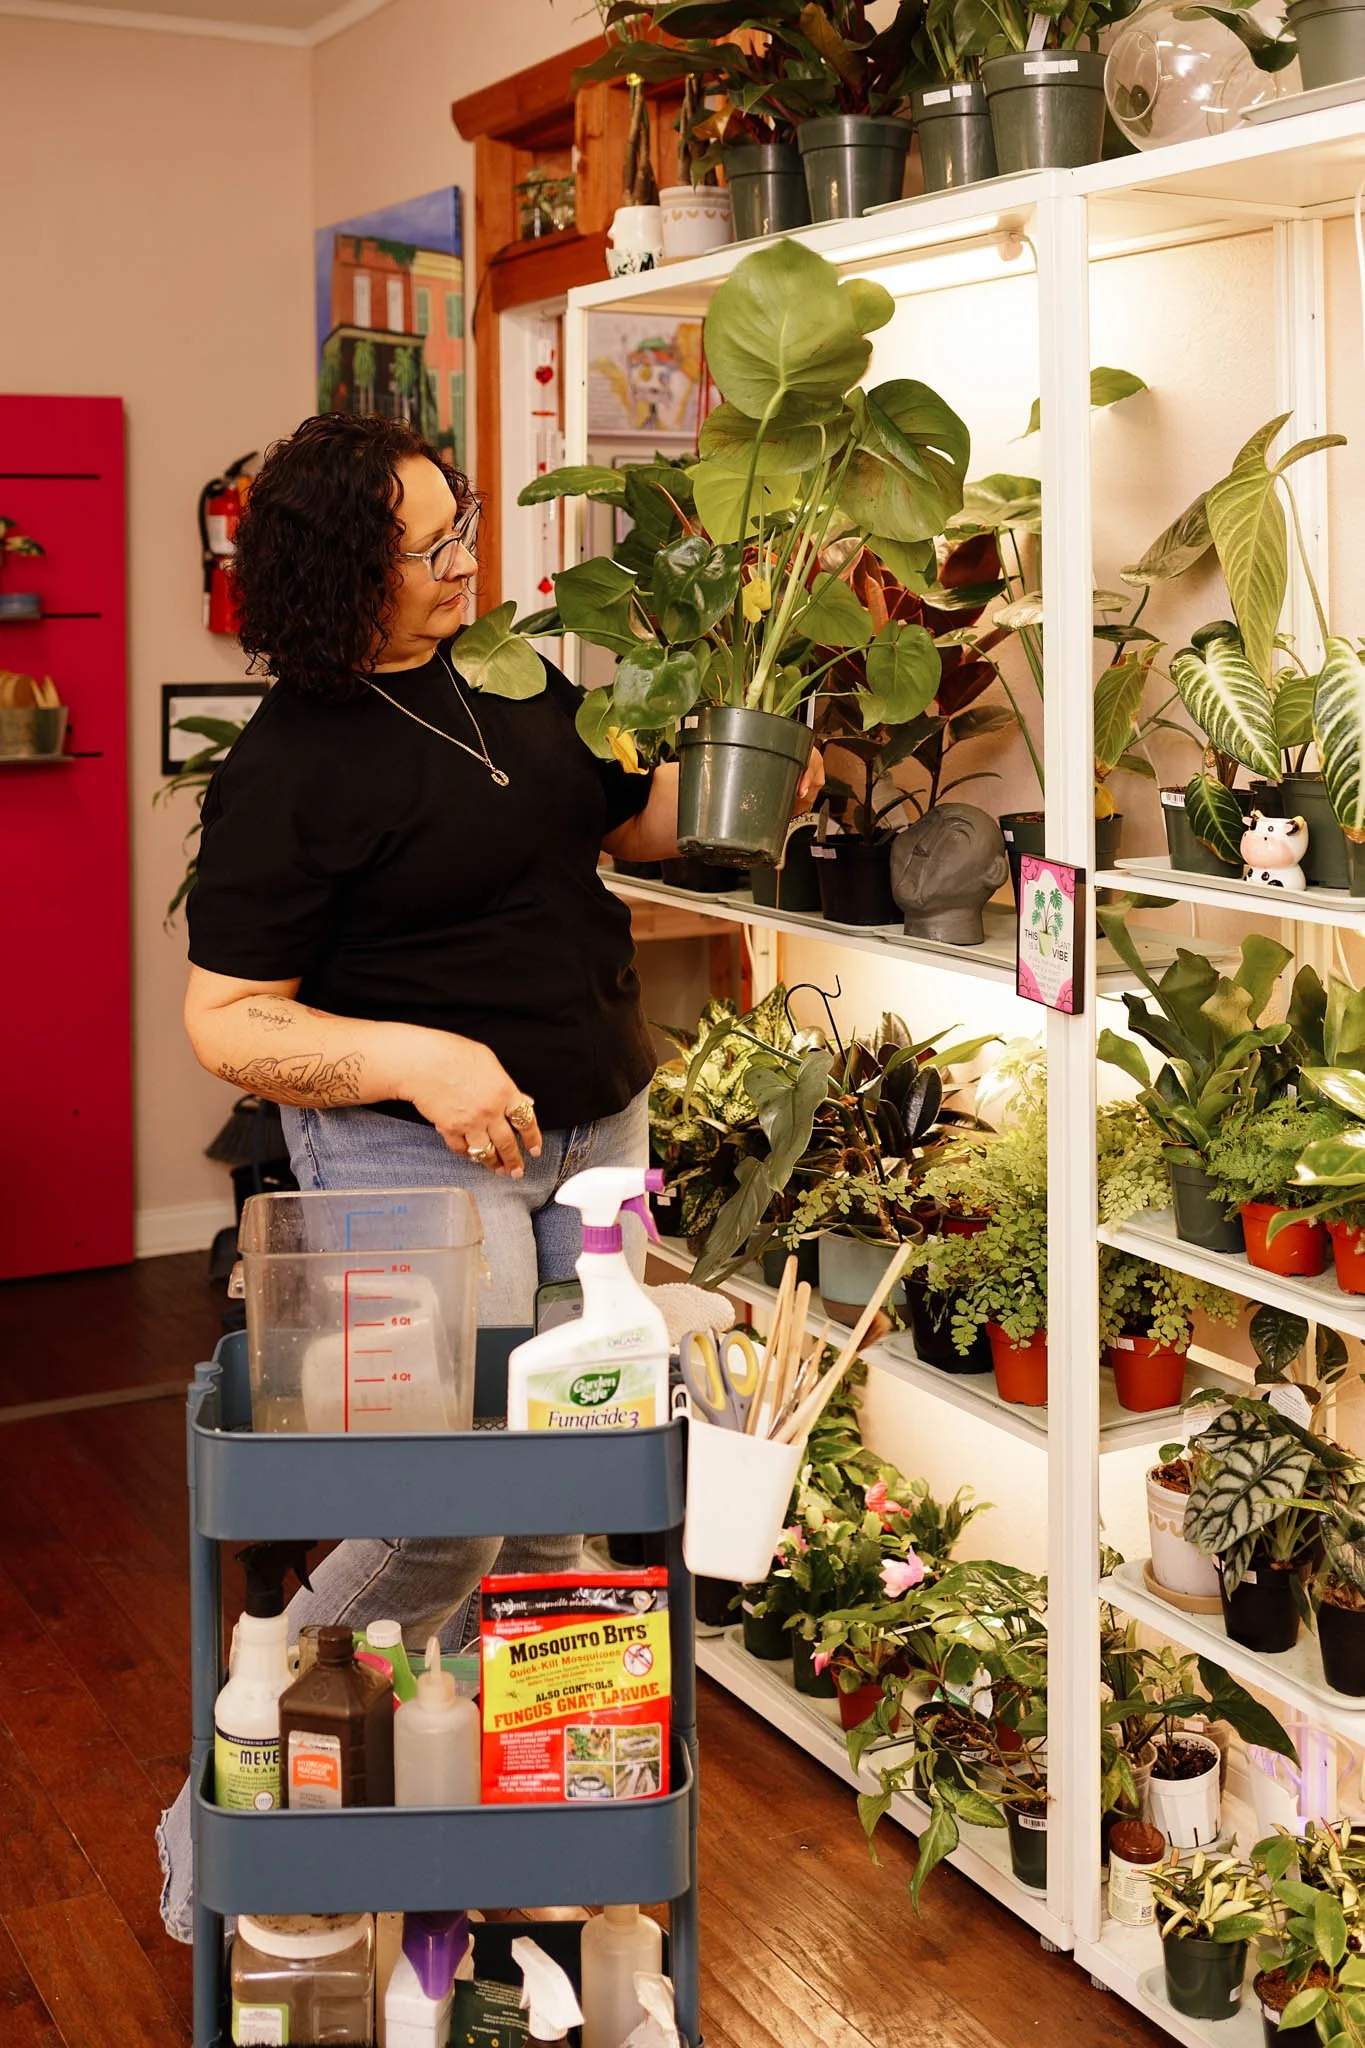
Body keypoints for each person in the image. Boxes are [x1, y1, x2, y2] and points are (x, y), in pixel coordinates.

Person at [157, 412, 819, 1936]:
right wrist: (418, 1062)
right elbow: (229, 1023)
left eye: (464, 532)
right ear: (339, 575)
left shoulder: (516, 679)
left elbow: (634, 821)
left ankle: (518, 1855)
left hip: (594, 1136)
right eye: (432, 548)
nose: (468, 565)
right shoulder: (287, 771)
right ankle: (232, 1818)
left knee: (557, 1511)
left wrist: (747, 730)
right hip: (410, 1154)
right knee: (438, 1507)